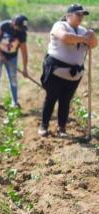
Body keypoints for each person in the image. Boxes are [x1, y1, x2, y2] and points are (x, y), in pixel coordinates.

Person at [38, 4, 97, 137]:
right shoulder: (59, 25)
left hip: (74, 75)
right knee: (51, 99)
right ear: (68, 15)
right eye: (78, 14)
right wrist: (84, 39)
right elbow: (65, 37)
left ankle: (61, 128)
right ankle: (44, 125)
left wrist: (92, 37)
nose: (81, 17)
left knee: (65, 101)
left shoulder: (83, 30)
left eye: (83, 15)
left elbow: (93, 45)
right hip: (56, 71)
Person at [0, 15, 29, 108]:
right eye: (19, 27)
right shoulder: (4, 26)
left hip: (12, 56)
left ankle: (15, 102)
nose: (20, 30)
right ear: (14, 23)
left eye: (22, 28)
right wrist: (0, 55)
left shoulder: (22, 34)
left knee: (13, 77)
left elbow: (24, 52)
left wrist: (25, 69)